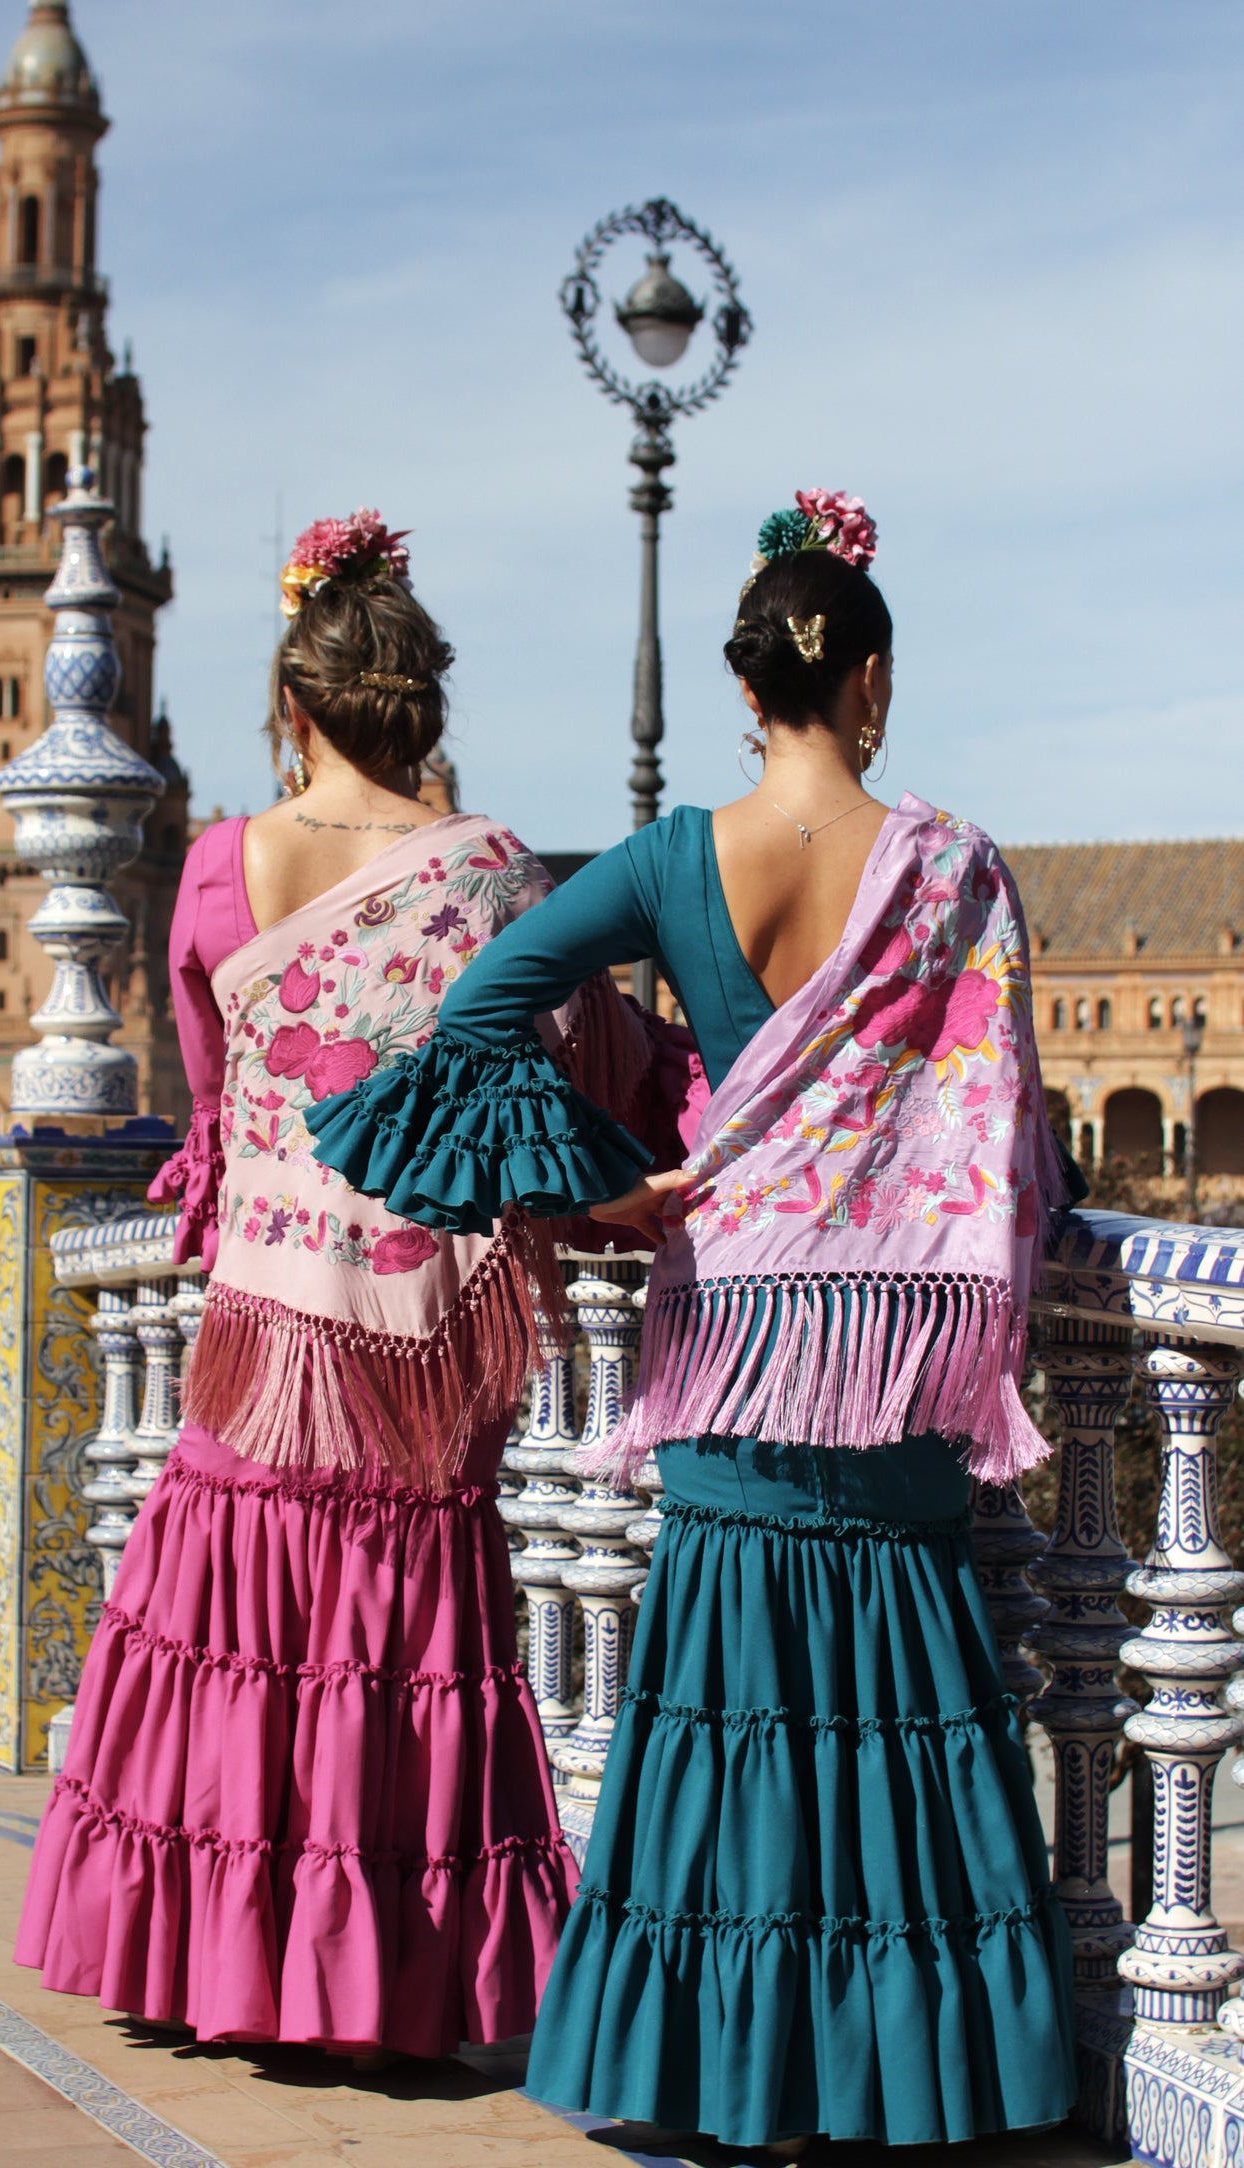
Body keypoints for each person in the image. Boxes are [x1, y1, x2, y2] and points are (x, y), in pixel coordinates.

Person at [309, 492, 1079, 2151]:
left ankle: (722, 2081)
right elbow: (1004, 1120)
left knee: (729, 1712)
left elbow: (477, 1014)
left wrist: (604, 1184)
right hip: (888, 1355)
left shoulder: (670, 861)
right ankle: (910, 2076)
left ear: (745, 693)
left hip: (732, 1329)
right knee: (893, 1705)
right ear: (870, 682)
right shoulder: (950, 865)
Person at [15, 509, 691, 2059]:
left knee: (233, 1615)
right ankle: (388, 1971)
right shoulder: (494, 877)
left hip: (264, 1321)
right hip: (427, 1333)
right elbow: (593, 1072)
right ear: (421, 710)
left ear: (291, 704)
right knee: (402, 1632)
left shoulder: (215, 868)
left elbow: (207, 1092)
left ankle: (213, 1963)